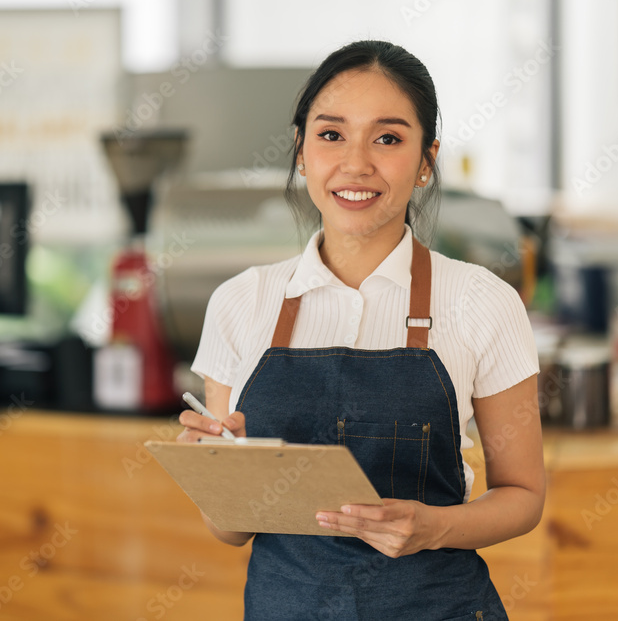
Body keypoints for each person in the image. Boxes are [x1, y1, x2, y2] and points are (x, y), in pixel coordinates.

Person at [179, 40, 544, 620]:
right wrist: (213, 473)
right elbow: (231, 532)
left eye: (388, 138)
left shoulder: (483, 302)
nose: (356, 163)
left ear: (426, 160)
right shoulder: (240, 303)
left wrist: (436, 527)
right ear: (301, 151)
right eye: (331, 135)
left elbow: (523, 497)